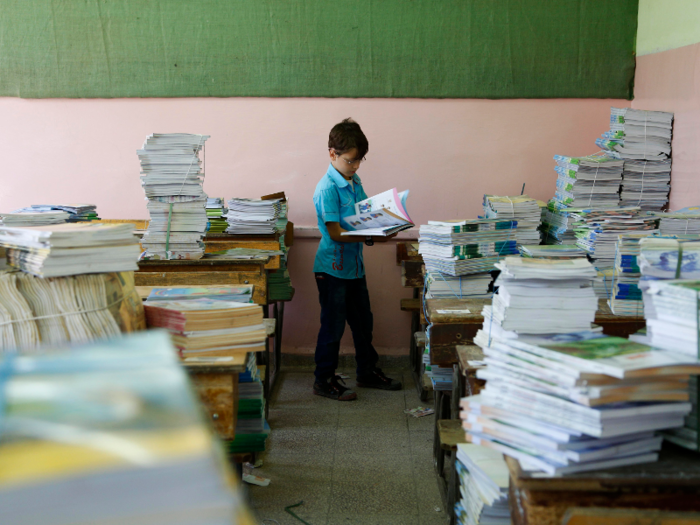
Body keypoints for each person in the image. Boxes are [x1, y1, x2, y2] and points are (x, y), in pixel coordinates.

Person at [311, 118, 402, 401]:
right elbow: (336, 233)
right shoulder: (327, 188)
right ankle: (323, 380)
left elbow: (364, 213)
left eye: (359, 161)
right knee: (332, 329)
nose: (356, 166)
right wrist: (372, 237)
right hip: (332, 270)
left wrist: (387, 221)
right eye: (350, 161)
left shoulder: (353, 180)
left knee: (364, 324)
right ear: (332, 154)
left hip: (354, 269)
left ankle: (367, 372)